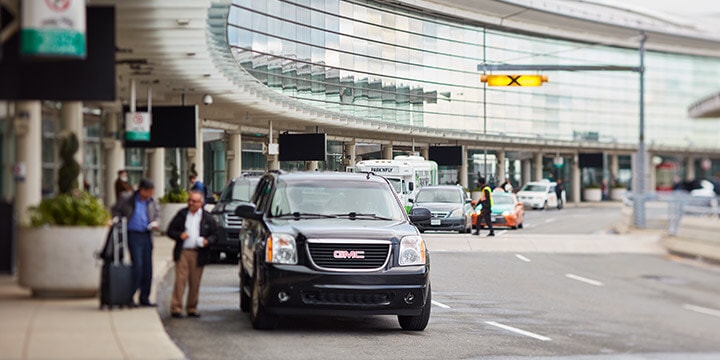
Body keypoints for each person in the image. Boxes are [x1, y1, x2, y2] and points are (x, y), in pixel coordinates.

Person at [166, 190, 218, 318]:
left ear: (201, 203)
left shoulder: (207, 217)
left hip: (198, 253)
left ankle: (192, 307)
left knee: (195, 282)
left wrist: (207, 241)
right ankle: (176, 307)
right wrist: (179, 235)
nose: (191, 203)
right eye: (189, 200)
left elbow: (216, 234)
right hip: (183, 251)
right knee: (180, 281)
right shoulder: (182, 215)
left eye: (194, 201)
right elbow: (170, 230)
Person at [112, 178, 160, 307]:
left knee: (147, 268)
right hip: (133, 234)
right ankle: (130, 296)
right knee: (137, 265)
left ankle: (145, 297)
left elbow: (156, 215)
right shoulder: (127, 198)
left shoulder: (152, 201)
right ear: (142, 190)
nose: (151, 194)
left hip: (147, 234)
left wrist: (156, 223)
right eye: (149, 191)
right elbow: (115, 210)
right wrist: (119, 221)